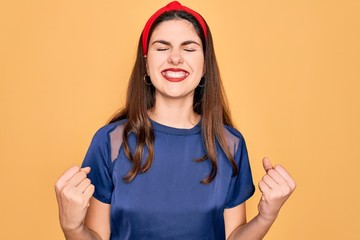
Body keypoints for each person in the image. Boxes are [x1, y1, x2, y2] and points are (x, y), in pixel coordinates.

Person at [55, 1, 296, 239]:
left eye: (189, 49)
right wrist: (72, 228)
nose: (175, 58)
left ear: (204, 66)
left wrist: (266, 216)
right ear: (146, 64)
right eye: (162, 48)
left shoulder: (229, 144)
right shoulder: (110, 142)